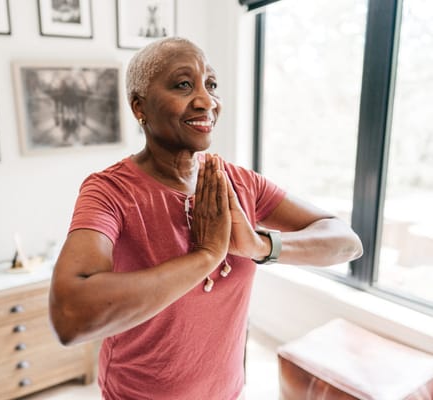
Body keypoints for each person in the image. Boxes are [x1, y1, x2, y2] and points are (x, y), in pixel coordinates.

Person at [49, 37, 363, 400]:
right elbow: (69, 316)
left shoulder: (240, 182)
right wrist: (206, 256)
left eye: (211, 85)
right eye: (184, 85)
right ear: (140, 107)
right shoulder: (110, 191)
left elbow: (346, 241)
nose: (206, 100)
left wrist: (260, 245)